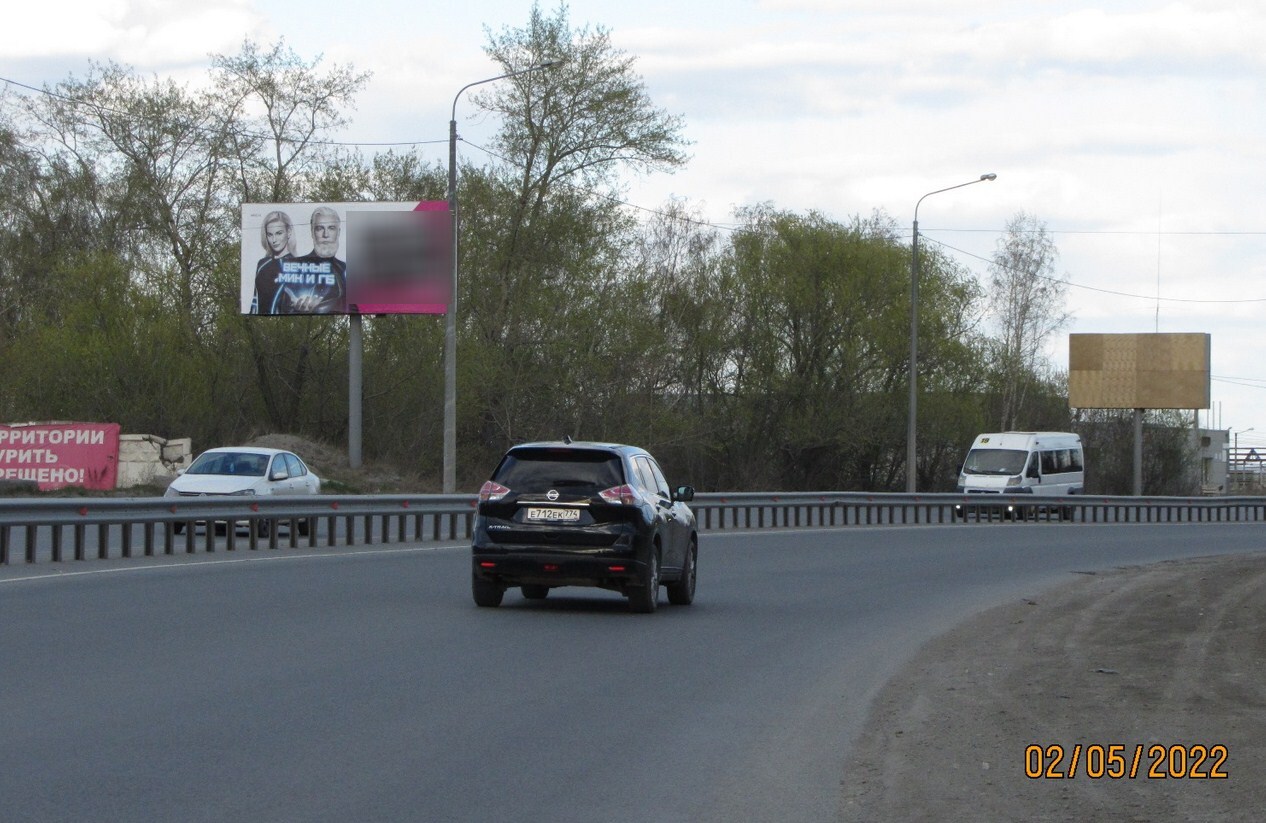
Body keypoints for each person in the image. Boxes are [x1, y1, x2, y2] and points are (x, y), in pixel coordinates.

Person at [273, 206, 347, 314]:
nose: (325, 235)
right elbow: (277, 304)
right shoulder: (292, 266)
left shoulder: (347, 269)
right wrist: (292, 307)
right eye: (319, 228)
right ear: (312, 232)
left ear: (338, 232)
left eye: (331, 228)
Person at [250, 210, 296, 314]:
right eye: (270, 235)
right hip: (261, 323)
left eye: (279, 233)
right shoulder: (262, 264)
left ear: (288, 232)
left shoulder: (298, 265)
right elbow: (255, 299)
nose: (274, 240)